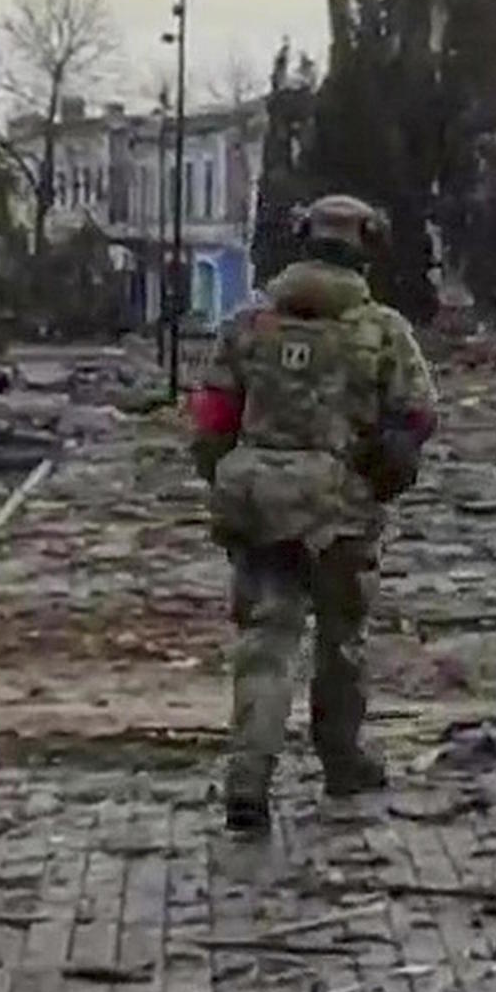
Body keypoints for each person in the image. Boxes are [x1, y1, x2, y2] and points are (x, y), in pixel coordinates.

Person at [189, 194, 437, 833]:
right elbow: (415, 419)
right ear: (368, 248)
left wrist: (227, 475)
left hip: (257, 501)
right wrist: (380, 476)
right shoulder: (383, 330)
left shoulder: (248, 325)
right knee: (340, 642)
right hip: (340, 508)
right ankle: (342, 760)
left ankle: (248, 777)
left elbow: (213, 419)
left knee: (265, 643)